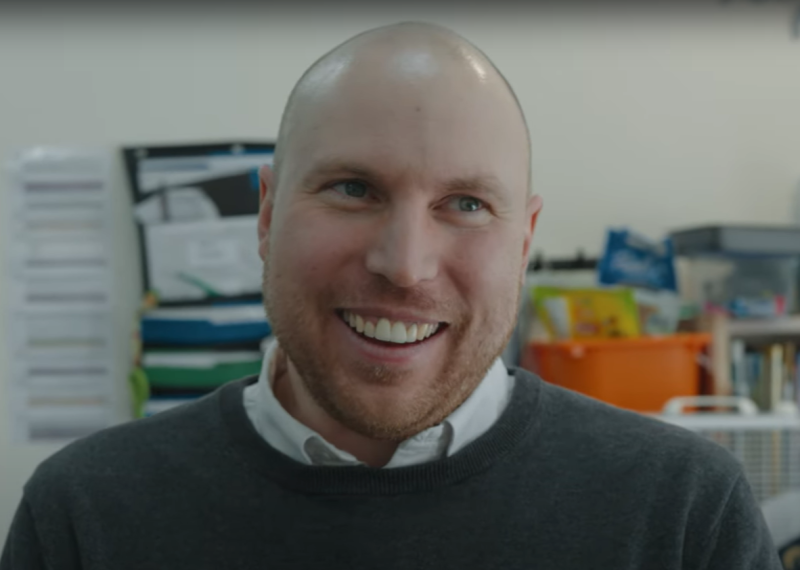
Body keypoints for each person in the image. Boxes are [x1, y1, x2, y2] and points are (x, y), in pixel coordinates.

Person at [1, 22, 781, 570]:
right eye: (352, 188)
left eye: (467, 204)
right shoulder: (86, 513)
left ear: (524, 241)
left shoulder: (683, 512)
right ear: (267, 215)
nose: (405, 266)